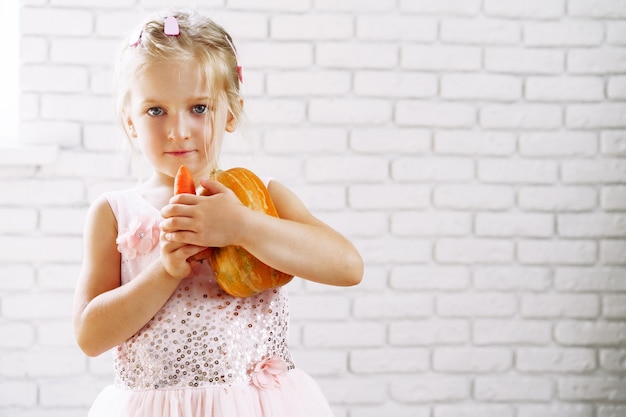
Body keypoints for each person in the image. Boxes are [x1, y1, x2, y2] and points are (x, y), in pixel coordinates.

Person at [72, 9, 363, 417]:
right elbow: (90, 337)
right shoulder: (115, 213)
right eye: (156, 110)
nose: (177, 130)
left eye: (199, 108)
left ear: (231, 113)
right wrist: (165, 271)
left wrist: (244, 226)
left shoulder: (262, 198)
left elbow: (348, 267)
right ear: (131, 121)